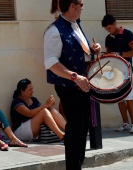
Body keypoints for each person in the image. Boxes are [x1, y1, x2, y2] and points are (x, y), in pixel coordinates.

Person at [44, 0, 101, 169]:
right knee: (76, 128)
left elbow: (78, 51)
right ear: (72, 6)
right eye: (81, 5)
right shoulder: (54, 30)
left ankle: (78, 165)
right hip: (69, 86)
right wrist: (74, 76)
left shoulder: (75, 25)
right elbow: (51, 62)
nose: (82, 8)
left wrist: (92, 50)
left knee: (83, 127)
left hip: (82, 84)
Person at [101, 14, 133, 134]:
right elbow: (108, 55)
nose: (109, 31)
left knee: (129, 97)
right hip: (114, 72)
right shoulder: (108, 38)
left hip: (126, 70)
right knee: (119, 98)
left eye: (110, 28)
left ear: (115, 23)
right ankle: (125, 123)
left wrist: (119, 54)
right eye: (107, 29)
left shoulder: (128, 34)